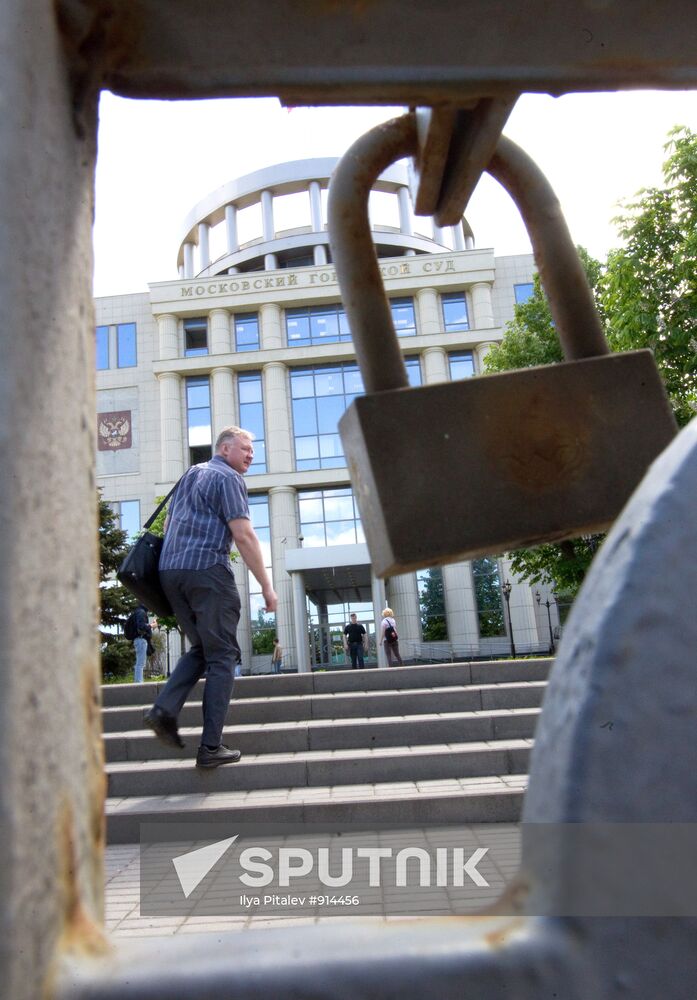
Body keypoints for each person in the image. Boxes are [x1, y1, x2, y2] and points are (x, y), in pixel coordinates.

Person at [144, 426, 278, 768]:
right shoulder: (229, 478)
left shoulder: (190, 474)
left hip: (171, 572)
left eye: (253, 450)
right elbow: (244, 535)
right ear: (225, 448)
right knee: (223, 656)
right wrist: (266, 585)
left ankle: (163, 709)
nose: (251, 455)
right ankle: (211, 747)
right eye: (246, 448)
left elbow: (172, 520)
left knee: (204, 649)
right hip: (207, 572)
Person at [132, 603, 152, 684]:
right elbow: (141, 626)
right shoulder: (141, 612)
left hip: (139, 640)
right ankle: (138, 682)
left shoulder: (138, 611)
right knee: (140, 663)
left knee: (140, 662)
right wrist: (151, 625)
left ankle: (138, 681)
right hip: (141, 640)